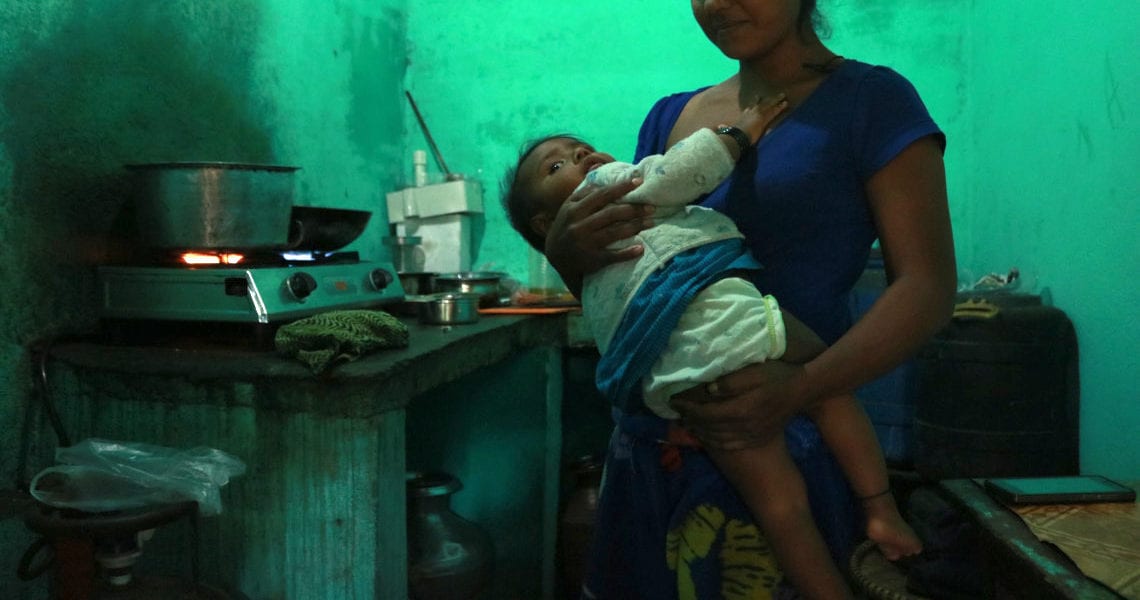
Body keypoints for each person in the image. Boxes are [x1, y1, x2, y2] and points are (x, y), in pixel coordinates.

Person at [538, 1, 957, 598]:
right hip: (657, 456)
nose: (715, 3)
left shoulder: (872, 99)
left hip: (788, 441)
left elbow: (927, 287)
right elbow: (631, 291)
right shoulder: (670, 117)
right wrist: (564, 253)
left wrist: (801, 387)